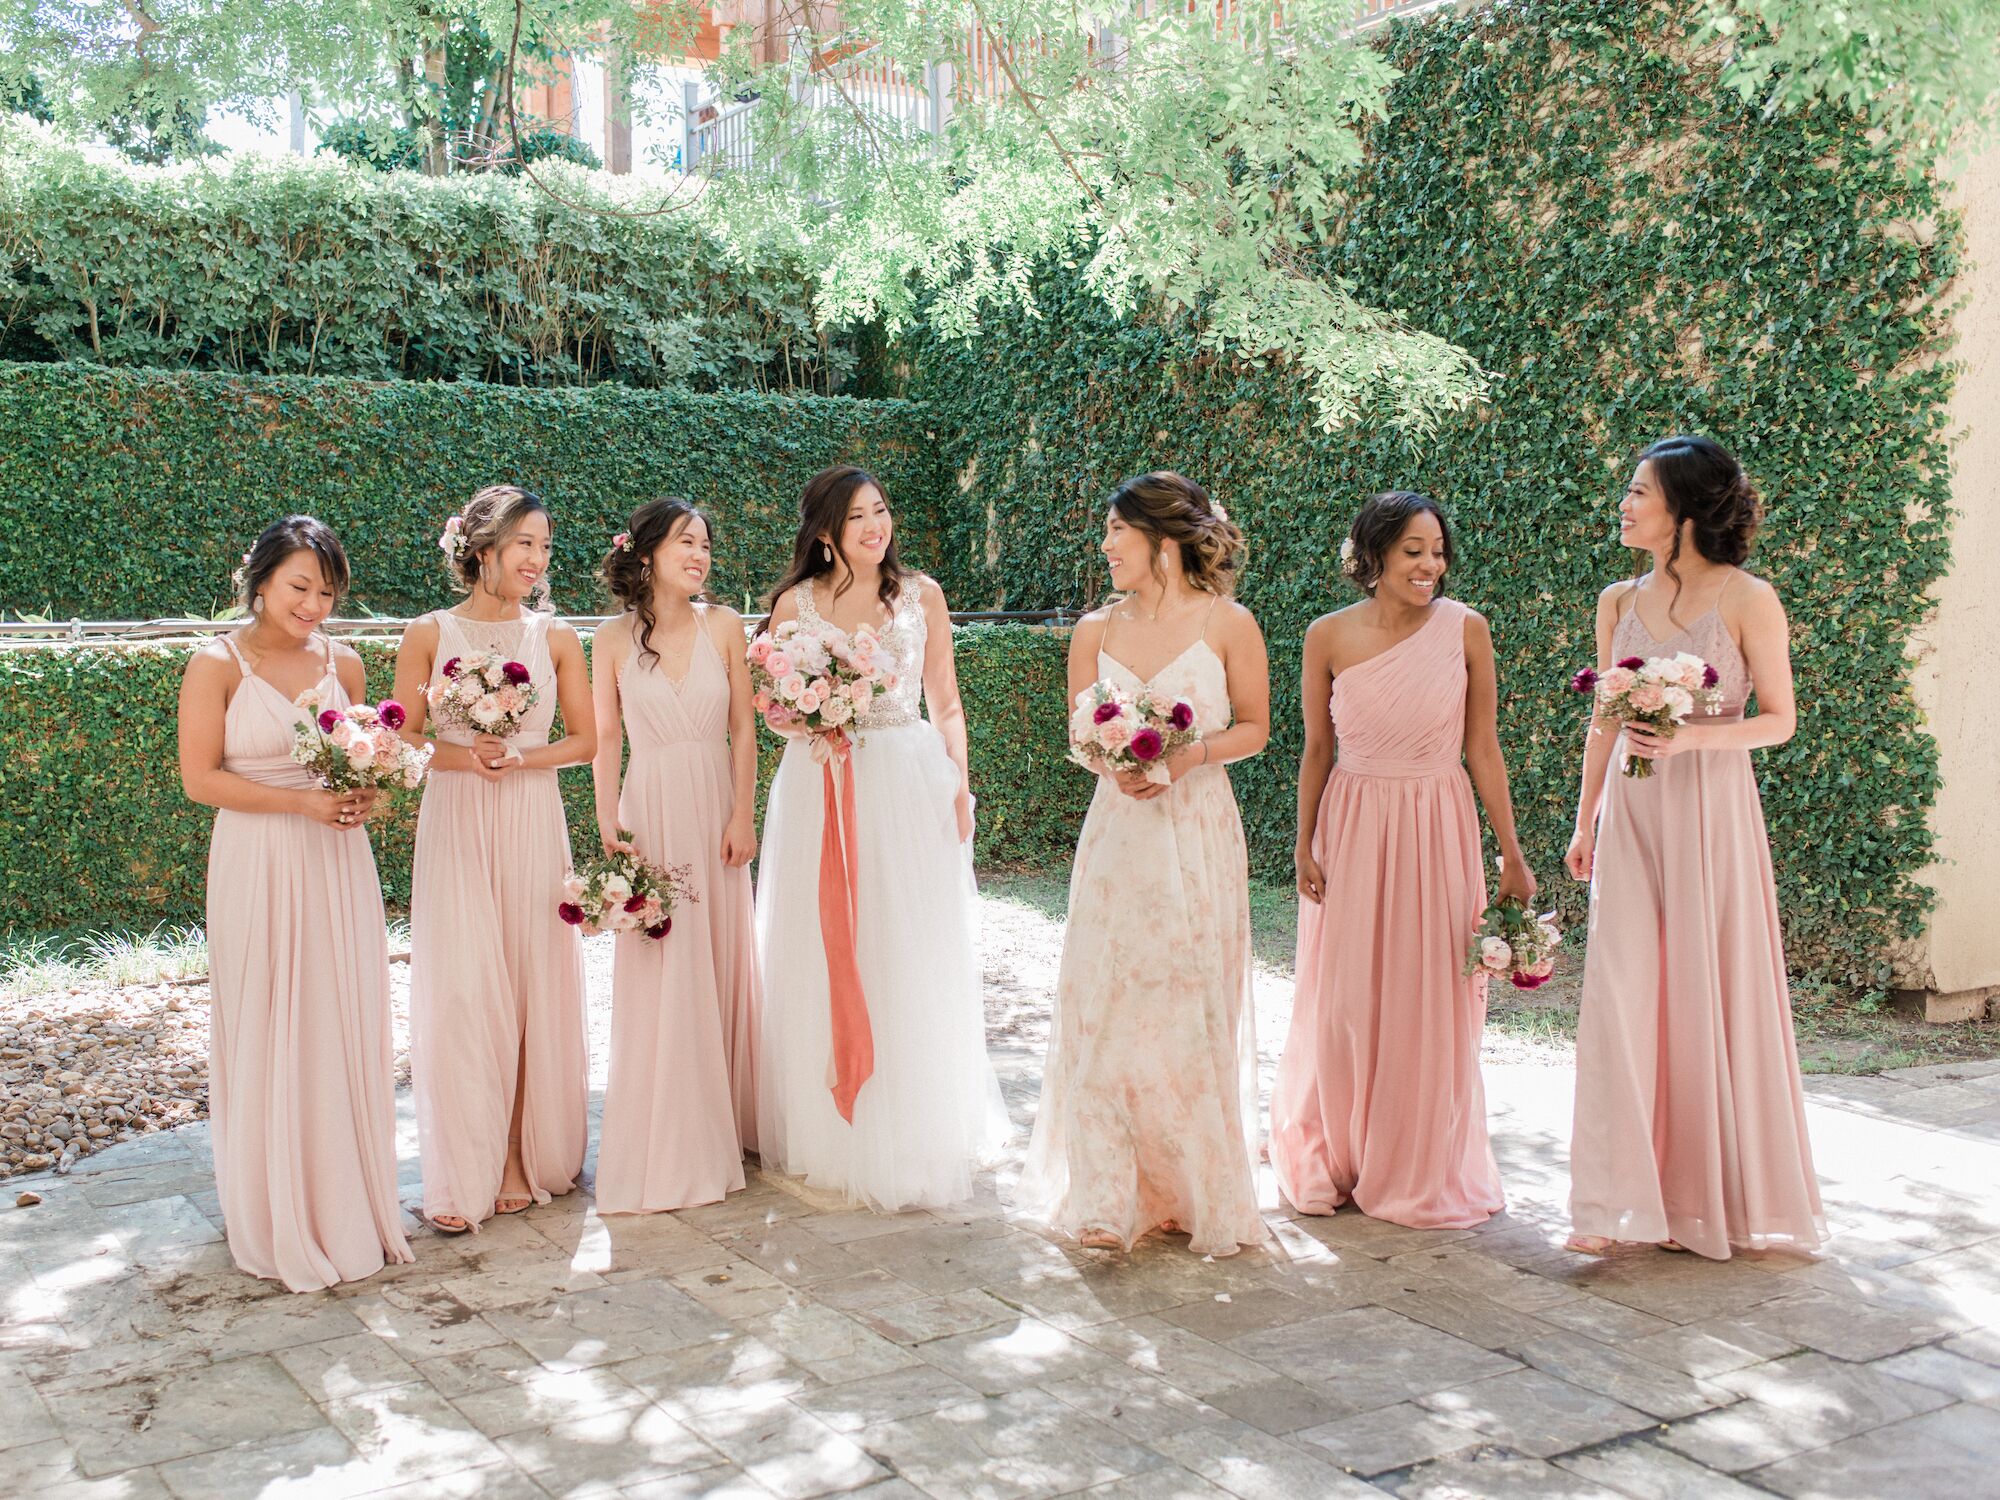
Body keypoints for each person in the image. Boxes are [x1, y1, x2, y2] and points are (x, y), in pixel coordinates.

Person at [1564, 436, 1823, 1260]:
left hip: (1713, 811)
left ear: (1682, 508)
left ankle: (1705, 1199)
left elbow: (1779, 720)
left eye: (1640, 491)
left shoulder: (1749, 598)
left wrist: (1695, 742)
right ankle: (1608, 1204)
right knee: (1621, 990)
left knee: (1706, 989)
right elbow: (1603, 719)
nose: (1625, 503)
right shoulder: (1616, 601)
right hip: (1634, 816)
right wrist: (1583, 820)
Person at [1016, 471, 1272, 1255]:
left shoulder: (1231, 624)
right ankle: (1102, 1194)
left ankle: (1190, 1190)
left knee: (1187, 1006)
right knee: (1107, 1001)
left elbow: (1257, 728)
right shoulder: (1095, 629)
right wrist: (1114, 764)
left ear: (1161, 541)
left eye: (1115, 533)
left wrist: (1187, 756)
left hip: (1195, 831)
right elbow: (1079, 736)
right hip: (1119, 836)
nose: (1105, 547)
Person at [754, 465, 1008, 1210]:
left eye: (883, 511)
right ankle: (833, 1126)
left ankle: (917, 1116)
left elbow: (947, 701)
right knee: (823, 942)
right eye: (859, 516)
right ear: (826, 533)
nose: (877, 526)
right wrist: (813, 716)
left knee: (908, 941)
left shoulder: (920, 595)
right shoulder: (792, 606)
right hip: (820, 781)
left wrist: (960, 783)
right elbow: (773, 709)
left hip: (905, 780)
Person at [177, 515, 412, 1289]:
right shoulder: (216, 664)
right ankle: (274, 1205)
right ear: (261, 580)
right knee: (268, 1015)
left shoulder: (344, 663)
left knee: (337, 1013)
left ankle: (344, 1199)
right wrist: (296, 806)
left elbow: (360, 761)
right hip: (256, 854)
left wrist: (365, 796)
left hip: (336, 859)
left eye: (327, 590)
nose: (313, 603)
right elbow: (199, 779)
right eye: (299, 587)